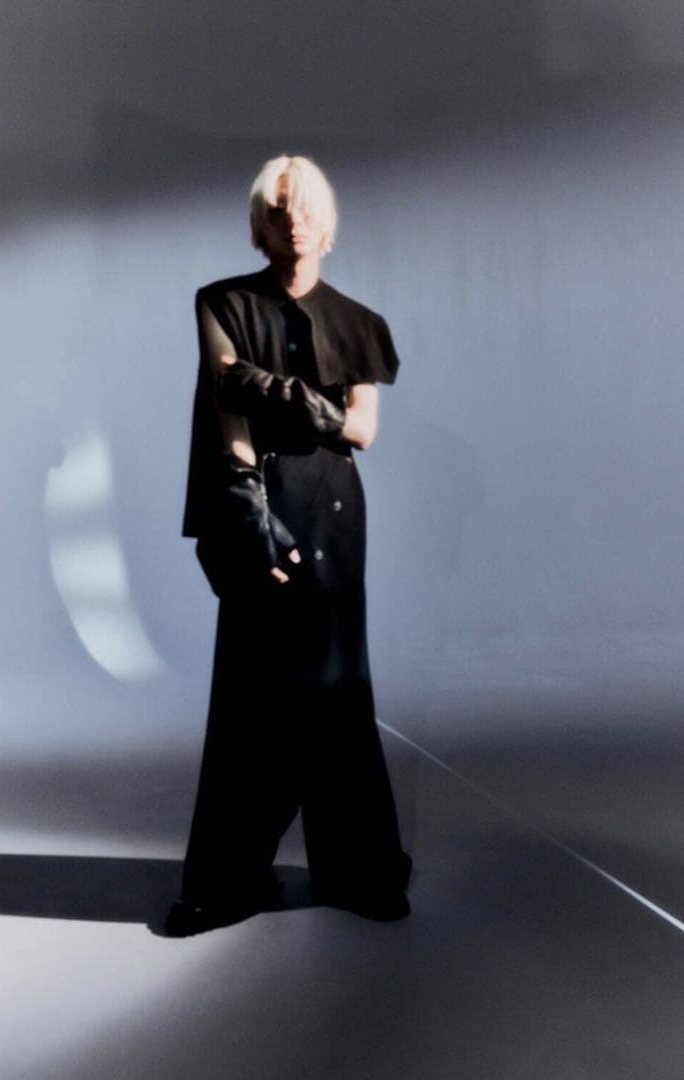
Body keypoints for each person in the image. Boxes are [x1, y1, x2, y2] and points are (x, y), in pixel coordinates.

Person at [165, 154, 412, 936]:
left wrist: (271, 389)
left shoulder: (359, 321)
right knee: (251, 699)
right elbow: (226, 412)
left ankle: (360, 873)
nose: (291, 222)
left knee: (340, 693)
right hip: (257, 505)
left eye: (302, 208)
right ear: (258, 224)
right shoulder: (223, 302)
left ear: (324, 220)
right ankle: (226, 883)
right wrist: (252, 518)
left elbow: (362, 431)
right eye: (276, 210)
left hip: (335, 514)